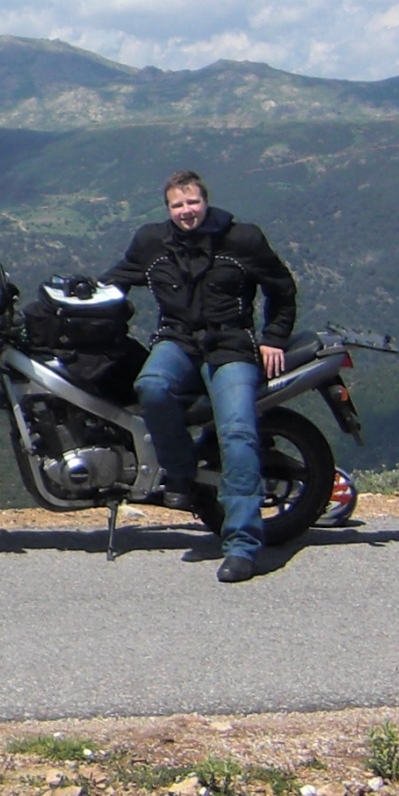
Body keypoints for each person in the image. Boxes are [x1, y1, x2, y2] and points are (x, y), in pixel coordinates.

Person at [104, 169, 299, 585]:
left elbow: (281, 288)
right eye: (177, 205)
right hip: (177, 342)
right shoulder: (152, 243)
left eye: (192, 202)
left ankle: (244, 547)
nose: (186, 211)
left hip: (231, 347)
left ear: (205, 201)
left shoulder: (241, 240)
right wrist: (71, 298)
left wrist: (274, 338)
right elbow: (116, 281)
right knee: (150, 386)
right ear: (167, 209)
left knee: (238, 433)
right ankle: (183, 476)